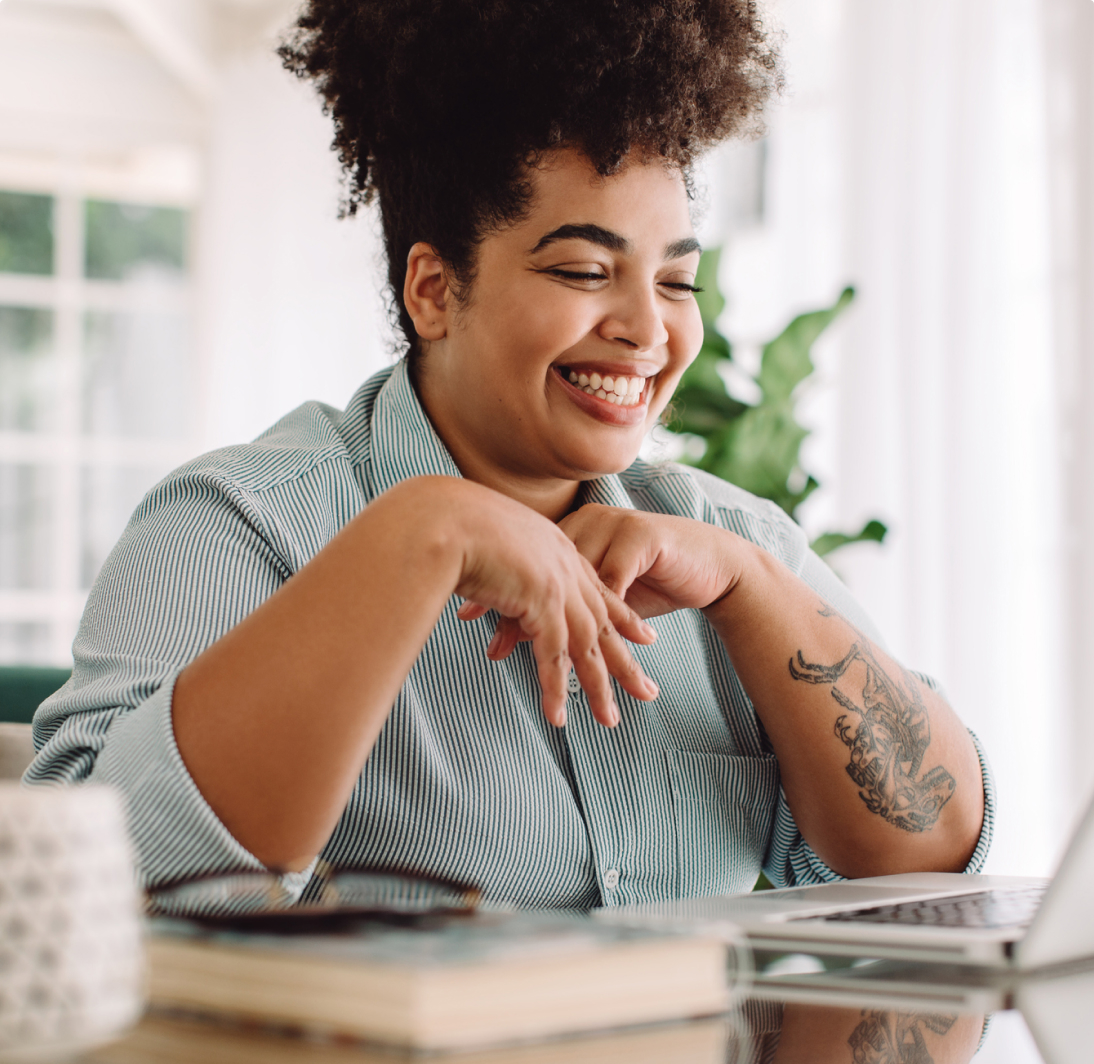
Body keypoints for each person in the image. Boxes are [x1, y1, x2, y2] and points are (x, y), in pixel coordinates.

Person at [29, 0, 991, 905]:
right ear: (434, 289)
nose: (646, 329)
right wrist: (417, 536)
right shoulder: (239, 525)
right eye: (583, 270)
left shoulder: (726, 542)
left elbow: (935, 862)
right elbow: (94, 891)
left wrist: (752, 590)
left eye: (677, 281)